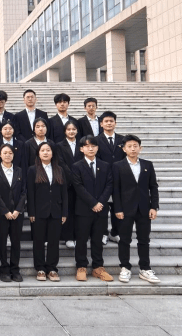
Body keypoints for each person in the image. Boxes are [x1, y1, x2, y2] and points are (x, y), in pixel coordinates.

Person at [113, 135, 160, 284]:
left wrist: (154, 207)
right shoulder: (117, 166)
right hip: (125, 209)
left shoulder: (148, 165)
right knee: (124, 240)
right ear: (124, 149)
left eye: (135, 146)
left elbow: (153, 187)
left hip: (144, 209)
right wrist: (118, 208)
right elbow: (115, 189)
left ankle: (145, 268)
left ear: (140, 148)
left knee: (144, 240)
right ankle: (125, 268)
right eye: (129, 146)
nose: (133, 149)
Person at [71, 136, 114, 282]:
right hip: (83, 209)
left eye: (93, 146)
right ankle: (81, 266)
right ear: (81, 149)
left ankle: (98, 267)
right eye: (87, 146)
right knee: (81, 239)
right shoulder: (76, 166)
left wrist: (100, 202)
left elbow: (109, 185)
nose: (91, 148)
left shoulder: (105, 165)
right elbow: (78, 187)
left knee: (97, 239)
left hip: (101, 209)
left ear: (97, 148)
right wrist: (93, 203)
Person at [27, 142, 68, 282]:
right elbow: (30, 193)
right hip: (39, 212)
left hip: (56, 211)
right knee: (38, 241)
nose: (45, 152)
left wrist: (64, 212)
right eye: (42, 150)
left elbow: (64, 193)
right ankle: (40, 268)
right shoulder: (32, 170)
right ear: (38, 153)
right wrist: (31, 212)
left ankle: (52, 268)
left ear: (52, 153)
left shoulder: (59, 169)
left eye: (48, 150)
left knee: (54, 241)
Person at [0, 144, 26, 282]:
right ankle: (4, 269)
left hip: (17, 213)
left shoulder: (19, 170)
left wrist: (18, 210)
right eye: (5, 153)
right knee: (2, 242)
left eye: (10, 153)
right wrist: (5, 211)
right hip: (2, 214)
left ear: (13, 155)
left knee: (16, 242)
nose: (7, 155)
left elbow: (24, 192)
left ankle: (15, 269)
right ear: (0, 154)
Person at [96, 111, 126, 245]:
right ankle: (103, 233)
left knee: (118, 206)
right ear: (101, 124)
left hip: (119, 179)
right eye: (106, 121)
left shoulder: (123, 140)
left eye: (111, 121)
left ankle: (115, 233)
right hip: (102, 179)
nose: (109, 123)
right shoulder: (96, 140)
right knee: (103, 208)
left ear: (115, 123)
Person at [56, 120, 84, 249]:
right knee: (68, 209)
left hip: (82, 182)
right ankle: (68, 237)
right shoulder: (59, 145)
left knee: (80, 210)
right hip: (67, 182)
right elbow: (61, 163)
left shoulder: (82, 144)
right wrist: (73, 176)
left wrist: (79, 177)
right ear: (65, 131)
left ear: (77, 131)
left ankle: (79, 236)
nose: (71, 131)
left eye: (73, 129)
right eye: (68, 129)